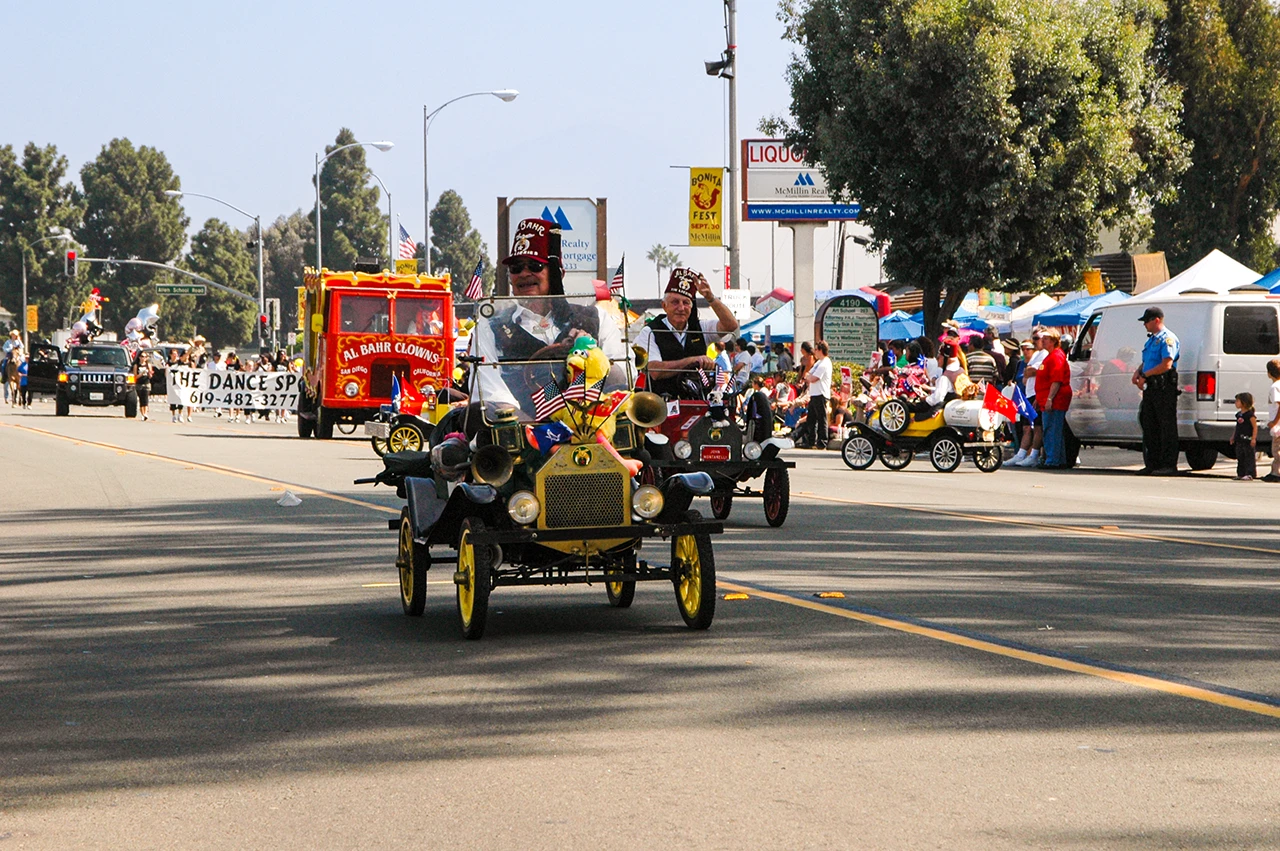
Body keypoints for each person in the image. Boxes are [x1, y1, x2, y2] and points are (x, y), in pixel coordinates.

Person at [472, 218, 627, 409]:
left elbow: (622, 381)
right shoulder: (490, 328)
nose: (524, 273)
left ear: (557, 273)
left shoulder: (597, 319)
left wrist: (592, 353)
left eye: (535, 266)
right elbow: (491, 396)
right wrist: (542, 435)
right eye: (516, 268)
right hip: (520, 434)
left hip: (595, 430)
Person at [633, 265, 739, 399]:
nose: (681, 308)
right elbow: (655, 370)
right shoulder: (650, 331)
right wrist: (693, 360)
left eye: (686, 303)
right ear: (664, 306)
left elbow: (731, 325)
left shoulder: (701, 327)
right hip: (660, 405)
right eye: (675, 302)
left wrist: (710, 297)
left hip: (698, 403)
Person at [1132, 306, 1180, 475]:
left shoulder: (1168, 339)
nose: (1145, 324)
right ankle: (1152, 463)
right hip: (1151, 387)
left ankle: (1168, 464)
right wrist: (1139, 371)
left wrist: (1145, 374)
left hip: (1163, 386)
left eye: (1147, 321)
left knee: (1165, 426)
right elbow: (1149, 360)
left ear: (1156, 320)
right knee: (1149, 423)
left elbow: (1166, 364)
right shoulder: (1152, 340)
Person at [1035, 328, 1072, 468]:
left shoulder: (1056, 356)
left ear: (1053, 341)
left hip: (1056, 398)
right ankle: (1059, 459)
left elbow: (1056, 380)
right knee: (1053, 428)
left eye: (1046, 338)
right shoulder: (1050, 356)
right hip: (1046, 398)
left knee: (1052, 429)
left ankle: (1052, 460)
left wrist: (1050, 398)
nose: (1042, 341)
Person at [1015, 329, 1048, 467]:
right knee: (1027, 427)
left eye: (1037, 338)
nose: (1035, 341)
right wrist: (1028, 371)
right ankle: (1021, 454)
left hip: (1036, 392)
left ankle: (1034, 454)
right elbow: (1026, 372)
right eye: (1033, 338)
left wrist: (1028, 372)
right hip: (1029, 393)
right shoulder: (1036, 355)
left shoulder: (1044, 354)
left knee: (1037, 426)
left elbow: (1033, 370)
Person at [803, 340, 832, 449]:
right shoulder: (818, 362)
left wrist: (808, 378)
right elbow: (808, 374)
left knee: (821, 419)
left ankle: (822, 442)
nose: (814, 351)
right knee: (811, 419)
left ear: (820, 350)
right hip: (814, 394)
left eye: (816, 349)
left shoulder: (825, 363)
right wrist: (808, 377)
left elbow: (814, 378)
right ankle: (811, 441)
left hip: (821, 393)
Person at [1230, 391, 1257, 481]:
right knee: (1240, 456)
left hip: (1247, 439)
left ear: (1244, 403)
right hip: (1239, 439)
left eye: (1237, 401)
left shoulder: (1250, 415)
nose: (1236, 403)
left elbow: (1254, 427)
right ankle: (1241, 473)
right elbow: (1237, 426)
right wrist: (1233, 436)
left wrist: (1253, 438)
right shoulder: (1239, 415)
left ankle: (1250, 473)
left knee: (1248, 457)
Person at [1264, 359, 1280, 483]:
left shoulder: (1275, 387)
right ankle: (1274, 471)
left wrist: (1274, 422)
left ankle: (1276, 473)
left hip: (1278, 425)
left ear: (1269, 373)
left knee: (1277, 449)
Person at [133, 349, 152, 421]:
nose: (143, 358)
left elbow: (151, 375)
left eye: (145, 357)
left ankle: (145, 414)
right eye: (141, 356)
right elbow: (135, 376)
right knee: (141, 399)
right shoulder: (136, 365)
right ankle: (142, 413)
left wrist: (149, 373)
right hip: (139, 383)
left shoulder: (148, 365)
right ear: (139, 357)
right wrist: (141, 374)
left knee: (146, 399)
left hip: (146, 383)